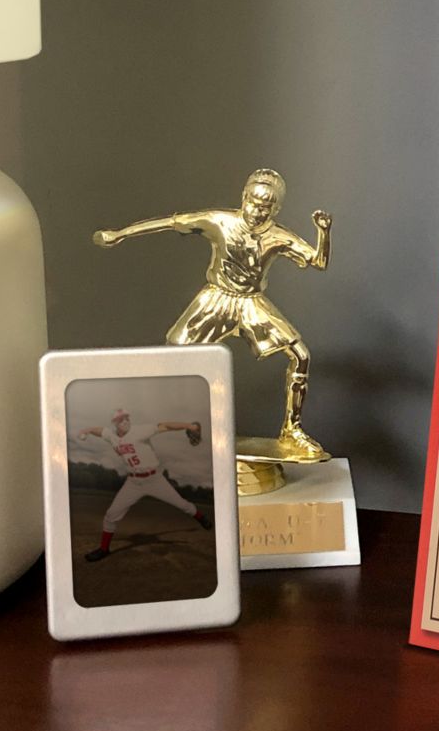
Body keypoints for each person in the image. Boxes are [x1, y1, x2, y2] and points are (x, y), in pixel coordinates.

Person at [94, 169, 332, 459]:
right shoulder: (219, 221)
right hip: (217, 297)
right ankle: (173, 423)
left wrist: (323, 232)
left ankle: (292, 429)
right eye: (253, 203)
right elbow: (171, 222)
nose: (257, 212)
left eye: (265, 208)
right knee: (176, 348)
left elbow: (318, 261)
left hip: (250, 302)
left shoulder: (278, 236)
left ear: (275, 210)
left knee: (300, 355)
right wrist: (120, 234)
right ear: (243, 198)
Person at [76, 408, 210, 561]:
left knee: (182, 504)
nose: (125, 421)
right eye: (121, 419)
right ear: (115, 423)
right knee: (111, 515)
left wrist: (190, 426)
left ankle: (200, 517)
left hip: (154, 480)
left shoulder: (140, 431)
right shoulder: (111, 435)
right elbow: (99, 431)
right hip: (133, 483)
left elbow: (165, 426)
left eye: (127, 418)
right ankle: (104, 549)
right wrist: (86, 430)